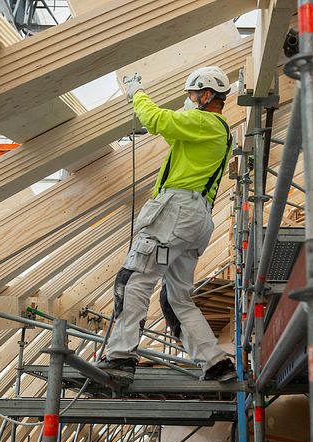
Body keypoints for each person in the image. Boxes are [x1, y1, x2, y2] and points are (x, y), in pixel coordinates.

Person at [97, 66, 236, 384]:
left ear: (205, 95)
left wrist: (136, 93)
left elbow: (157, 120)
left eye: (190, 95)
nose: (188, 101)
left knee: (134, 280)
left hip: (176, 212)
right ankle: (215, 363)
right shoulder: (218, 132)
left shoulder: (205, 121)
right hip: (195, 221)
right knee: (176, 298)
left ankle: (120, 356)